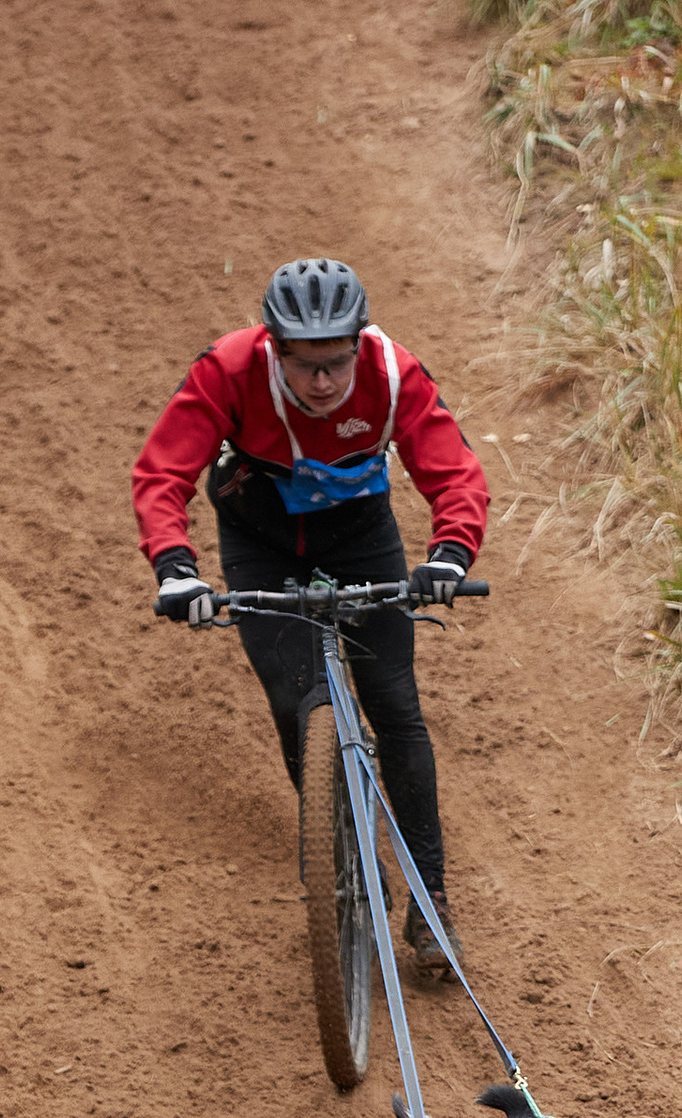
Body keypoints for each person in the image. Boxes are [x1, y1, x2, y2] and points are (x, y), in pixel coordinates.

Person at [133, 257, 490, 976]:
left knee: (394, 706)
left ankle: (431, 899)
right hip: (260, 548)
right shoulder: (229, 370)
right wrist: (176, 569)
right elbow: (162, 472)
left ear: (360, 342)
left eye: (336, 363)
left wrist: (449, 556)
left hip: (361, 540)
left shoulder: (394, 375)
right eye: (303, 365)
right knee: (303, 706)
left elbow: (453, 472)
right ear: (273, 347)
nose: (322, 383)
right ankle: (347, 865)